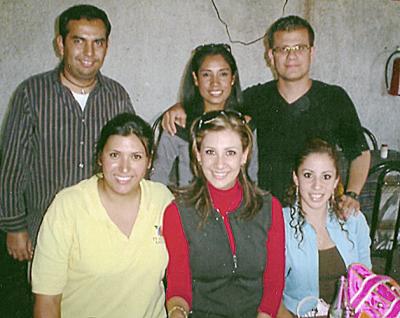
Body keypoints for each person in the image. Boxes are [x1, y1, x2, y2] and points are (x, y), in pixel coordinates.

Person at [161, 15, 370, 216]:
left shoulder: (334, 98)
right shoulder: (254, 99)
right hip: (264, 212)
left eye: (300, 48)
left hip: (317, 209)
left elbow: (360, 153)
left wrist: (352, 194)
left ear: (311, 52)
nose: (292, 56)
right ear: (271, 56)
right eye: (283, 49)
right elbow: (217, 104)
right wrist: (182, 107)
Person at [0, 4, 134, 316]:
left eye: (98, 42)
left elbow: (131, 162)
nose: (89, 51)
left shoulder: (117, 97)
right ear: (61, 44)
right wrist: (14, 226)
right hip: (43, 234)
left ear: (107, 46)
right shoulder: (31, 94)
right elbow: (12, 166)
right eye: (79, 40)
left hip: (102, 234)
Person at [31, 113, 173, 318]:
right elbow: (47, 300)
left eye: (136, 157)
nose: (124, 167)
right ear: (100, 157)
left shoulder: (162, 199)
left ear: (149, 161)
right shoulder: (68, 206)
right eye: (114, 155)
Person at [163, 110, 285, 318]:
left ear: (244, 155)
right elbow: (178, 286)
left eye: (230, 152)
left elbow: (274, 283)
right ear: (198, 155)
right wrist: (177, 312)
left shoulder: (270, 208)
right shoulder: (177, 212)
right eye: (211, 152)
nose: (220, 164)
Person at [277, 138, 371, 317]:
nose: (317, 185)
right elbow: (271, 296)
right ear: (296, 177)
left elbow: (365, 282)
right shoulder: (280, 224)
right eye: (308, 175)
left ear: (336, 181)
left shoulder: (353, 220)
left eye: (326, 176)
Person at [151, 43, 258, 186]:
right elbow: (158, 179)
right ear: (196, 79)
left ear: (233, 78)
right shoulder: (178, 124)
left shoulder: (244, 124)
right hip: (189, 206)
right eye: (206, 74)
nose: (215, 83)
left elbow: (251, 180)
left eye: (223, 74)